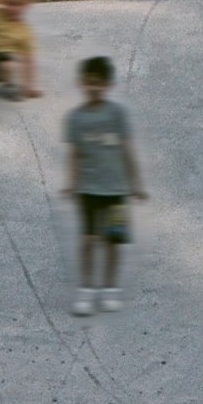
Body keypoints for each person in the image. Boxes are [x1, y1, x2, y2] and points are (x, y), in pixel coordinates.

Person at [63, 55, 143, 316]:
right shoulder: (76, 118)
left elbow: (128, 150)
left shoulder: (117, 114)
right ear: (82, 83)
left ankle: (109, 289)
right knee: (88, 241)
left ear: (107, 84)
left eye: (99, 83)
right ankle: (86, 291)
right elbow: (75, 154)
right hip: (88, 190)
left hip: (117, 191)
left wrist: (136, 183)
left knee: (112, 242)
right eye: (89, 82)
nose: (94, 87)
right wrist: (71, 183)